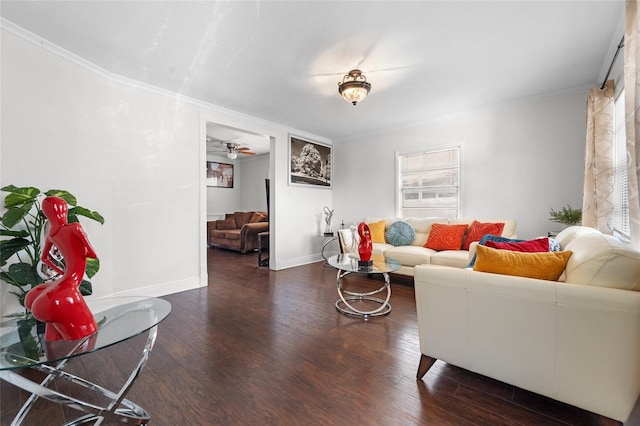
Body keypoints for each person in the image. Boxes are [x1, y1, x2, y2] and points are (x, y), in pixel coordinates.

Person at [25, 196, 98, 341]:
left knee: (54, 335)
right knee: (88, 340)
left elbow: (45, 258)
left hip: (51, 291)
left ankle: (53, 359)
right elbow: (92, 254)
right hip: (70, 284)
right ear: (64, 211)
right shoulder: (74, 227)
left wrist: (61, 272)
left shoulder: (51, 235)